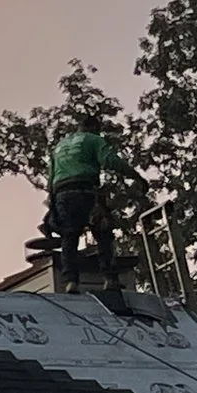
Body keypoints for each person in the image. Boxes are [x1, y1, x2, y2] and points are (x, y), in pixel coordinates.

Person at [45, 113, 137, 305]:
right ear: (95, 128)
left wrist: (52, 207)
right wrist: (136, 176)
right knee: (103, 232)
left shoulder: (59, 146)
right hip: (87, 190)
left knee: (69, 237)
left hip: (62, 194)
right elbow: (110, 161)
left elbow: (51, 178)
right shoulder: (94, 140)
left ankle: (71, 282)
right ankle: (110, 279)